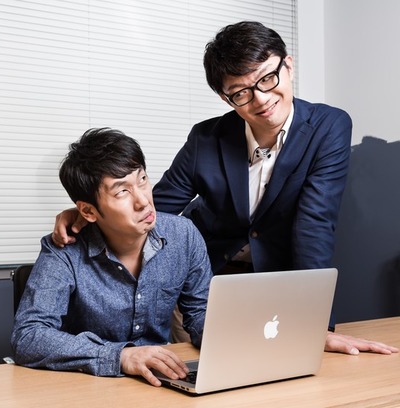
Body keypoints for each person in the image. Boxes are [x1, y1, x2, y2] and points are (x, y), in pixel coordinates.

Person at [52, 21, 398, 356]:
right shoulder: (205, 138)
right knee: (202, 375)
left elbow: (314, 223)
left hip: (279, 281)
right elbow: (158, 207)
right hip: (204, 287)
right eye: (241, 93)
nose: (261, 99)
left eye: (268, 78)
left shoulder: (328, 126)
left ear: (288, 65)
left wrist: (316, 323)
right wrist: (89, 216)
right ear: (225, 97)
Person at [11, 128, 213, 387]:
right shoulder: (64, 250)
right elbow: (28, 336)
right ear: (88, 211)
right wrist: (120, 356)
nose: (143, 201)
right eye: (122, 192)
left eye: (142, 179)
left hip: (159, 380)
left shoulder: (183, 235)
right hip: (88, 383)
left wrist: (227, 337)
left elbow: (199, 311)